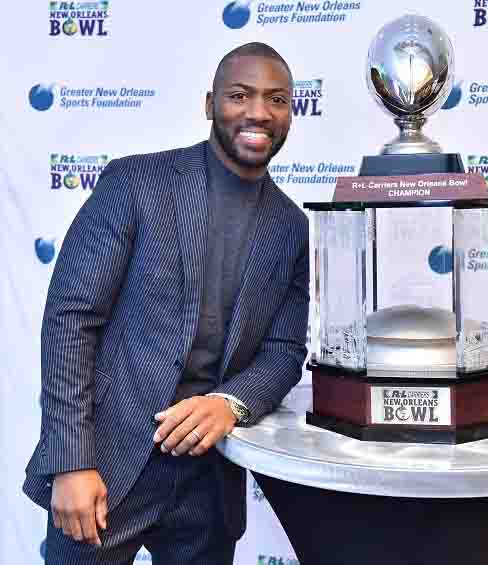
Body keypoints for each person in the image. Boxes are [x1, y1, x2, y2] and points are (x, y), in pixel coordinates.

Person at [23, 42, 309, 564]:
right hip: (103, 466)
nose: (258, 113)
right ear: (209, 104)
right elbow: (70, 318)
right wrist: (70, 462)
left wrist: (229, 403)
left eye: (277, 99)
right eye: (239, 95)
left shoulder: (291, 226)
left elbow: (285, 349)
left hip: (209, 479)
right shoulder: (136, 183)